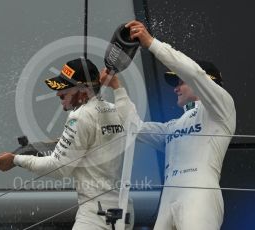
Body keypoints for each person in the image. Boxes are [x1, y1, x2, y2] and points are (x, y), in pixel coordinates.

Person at [100, 20, 236, 230]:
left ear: (206, 81)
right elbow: (134, 126)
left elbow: (193, 73)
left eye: (178, 81)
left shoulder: (221, 108)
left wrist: (152, 43)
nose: (175, 88)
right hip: (168, 201)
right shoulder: (174, 126)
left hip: (200, 198)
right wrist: (117, 88)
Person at [0, 58, 134, 230]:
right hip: (124, 212)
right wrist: (117, 86)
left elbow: (59, 168)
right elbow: (95, 140)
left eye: (65, 89)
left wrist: (16, 160)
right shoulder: (115, 109)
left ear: (83, 90)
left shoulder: (79, 117)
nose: (58, 94)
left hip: (96, 216)